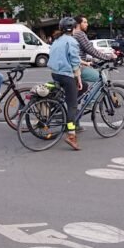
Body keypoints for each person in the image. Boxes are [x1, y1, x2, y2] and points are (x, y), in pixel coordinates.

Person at [72, 15, 115, 130]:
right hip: (78, 67)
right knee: (100, 78)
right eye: (85, 22)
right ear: (78, 24)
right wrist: (107, 57)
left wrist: (93, 60)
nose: (87, 24)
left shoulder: (72, 34)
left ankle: (75, 123)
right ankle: (91, 102)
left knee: (79, 93)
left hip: (73, 65)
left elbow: (82, 54)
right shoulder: (79, 34)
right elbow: (90, 50)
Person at [47, 17, 82, 150]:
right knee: (72, 105)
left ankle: (58, 108)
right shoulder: (72, 41)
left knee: (79, 87)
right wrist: (77, 77)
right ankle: (71, 135)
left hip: (55, 73)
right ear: (73, 29)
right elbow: (74, 61)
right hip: (66, 75)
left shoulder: (56, 40)